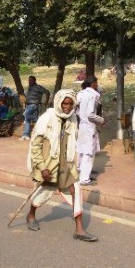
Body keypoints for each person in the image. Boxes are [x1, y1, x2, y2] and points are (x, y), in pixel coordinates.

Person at [25, 89, 97, 242]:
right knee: (42, 194)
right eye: (65, 103)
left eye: (71, 104)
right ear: (58, 102)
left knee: (76, 192)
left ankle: (79, 230)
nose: (68, 106)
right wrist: (43, 168)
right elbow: (35, 146)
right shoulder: (46, 118)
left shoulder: (73, 119)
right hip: (49, 166)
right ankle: (31, 214)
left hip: (67, 165)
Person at [76, 75, 104, 186]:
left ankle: (81, 170)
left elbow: (77, 110)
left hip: (82, 125)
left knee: (82, 150)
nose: (97, 85)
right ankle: (84, 178)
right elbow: (90, 115)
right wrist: (101, 120)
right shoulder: (93, 95)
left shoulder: (81, 94)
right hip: (89, 126)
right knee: (89, 152)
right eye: (96, 83)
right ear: (93, 84)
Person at [20, 76, 50, 140]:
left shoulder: (38, 87)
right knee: (27, 120)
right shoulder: (29, 87)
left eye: (31, 80)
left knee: (25, 114)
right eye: (29, 80)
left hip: (34, 105)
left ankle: (37, 119)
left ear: (34, 81)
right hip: (28, 105)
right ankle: (26, 135)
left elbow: (47, 92)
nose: (29, 82)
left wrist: (46, 101)